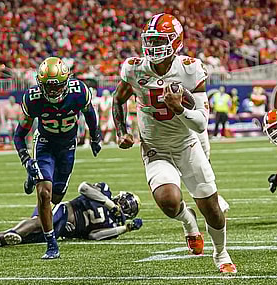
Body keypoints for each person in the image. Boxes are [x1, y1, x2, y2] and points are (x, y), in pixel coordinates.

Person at [112, 13, 236, 273]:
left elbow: (201, 123)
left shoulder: (190, 68)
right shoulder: (134, 68)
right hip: (155, 148)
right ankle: (188, 221)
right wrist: (122, 131)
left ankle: (221, 254)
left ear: (176, 42)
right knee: (168, 201)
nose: (153, 46)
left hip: (186, 144)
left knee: (211, 207)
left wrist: (178, 109)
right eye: (150, 40)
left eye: (160, 40)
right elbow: (118, 99)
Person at [13, 57, 102, 259]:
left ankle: (33, 180)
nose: (52, 92)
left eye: (57, 86)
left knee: (55, 198)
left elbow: (90, 114)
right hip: (45, 144)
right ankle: (51, 244)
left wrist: (95, 136)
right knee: (44, 194)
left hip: (68, 147)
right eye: (48, 87)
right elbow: (19, 135)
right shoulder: (33, 98)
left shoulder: (79, 92)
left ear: (66, 81)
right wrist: (26, 159)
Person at [0, 182, 142, 249]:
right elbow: (83, 188)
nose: (123, 204)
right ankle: (13, 232)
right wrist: (109, 204)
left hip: (61, 230)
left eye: (128, 206)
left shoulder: (114, 225)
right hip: (61, 211)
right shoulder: (105, 192)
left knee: (18, 238)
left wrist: (124, 228)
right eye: (125, 201)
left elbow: (94, 236)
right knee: (38, 223)